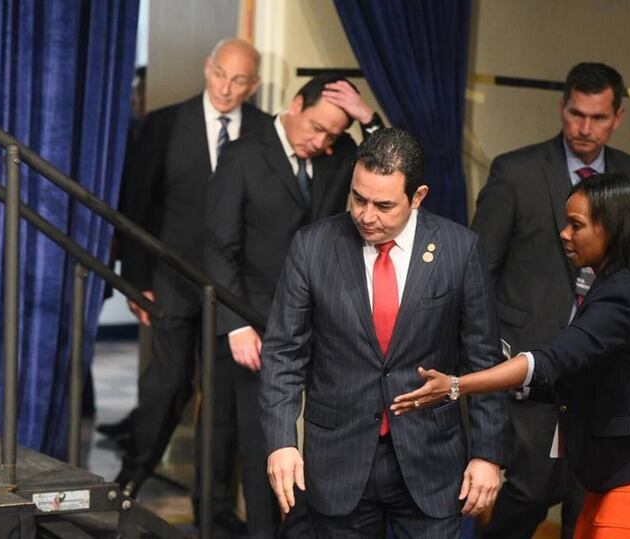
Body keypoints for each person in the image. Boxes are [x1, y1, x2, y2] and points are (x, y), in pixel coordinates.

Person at [394, 173, 630, 538]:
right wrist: (511, 381)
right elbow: (582, 376)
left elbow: (554, 360)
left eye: (576, 225)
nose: (564, 233)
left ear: (612, 228)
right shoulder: (620, 283)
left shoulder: (624, 293)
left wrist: (456, 385)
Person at [470, 61, 630, 539]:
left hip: (604, 372)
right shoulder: (517, 171)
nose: (584, 128)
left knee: (587, 496)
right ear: (562, 108)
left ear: (618, 117)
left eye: (597, 117)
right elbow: (479, 269)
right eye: (576, 114)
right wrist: (475, 359)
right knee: (531, 489)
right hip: (532, 359)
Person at [258, 128, 510, 538]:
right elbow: (284, 353)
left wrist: (487, 454)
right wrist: (281, 441)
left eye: (383, 205)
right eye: (358, 198)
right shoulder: (312, 247)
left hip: (431, 460)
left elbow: (482, 358)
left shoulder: (459, 250)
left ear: (418, 196)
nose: (366, 215)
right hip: (338, 460)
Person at [203, 73, 383, 538]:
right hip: (254, 323)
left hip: (324, 320)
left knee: (322, 436)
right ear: (296, 104)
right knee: (262, 441)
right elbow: (219, 248)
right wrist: (236, 324)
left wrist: (368, 120)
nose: (321, 142)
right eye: (317, 127)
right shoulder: (243, 155)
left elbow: (389, 167)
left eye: (333, 135)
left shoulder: (340, 154)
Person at [110, 38, 268, 534]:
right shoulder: (164, 123)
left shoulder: (264, 130)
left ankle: (212, 511)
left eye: (238, 80)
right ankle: (127, 484)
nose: (226, 88)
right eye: (220, 74)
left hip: (233, 292)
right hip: (171, 280)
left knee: (221, 403)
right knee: (168, 384)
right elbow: (136, 204)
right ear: (207, 68)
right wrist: (137, 281)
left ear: (253, 85)